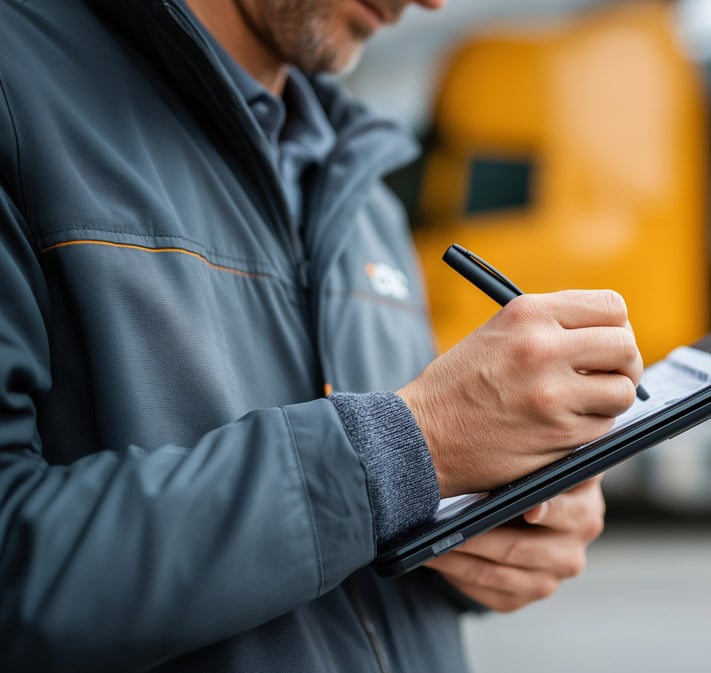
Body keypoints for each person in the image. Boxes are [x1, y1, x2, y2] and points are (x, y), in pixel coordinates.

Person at [0, 0, 644, 671]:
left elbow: (373, 533)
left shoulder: (368, 199)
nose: (430, 2)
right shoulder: (17, 88)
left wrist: (492, 529)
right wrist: (401, 451)